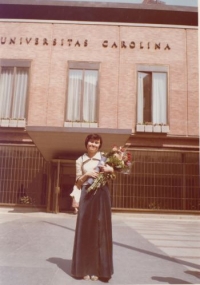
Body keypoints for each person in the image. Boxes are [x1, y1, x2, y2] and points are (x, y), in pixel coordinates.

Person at [71, 134, 114, 282]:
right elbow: (77, 182)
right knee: (85, 230)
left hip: (102, 194)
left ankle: (98, 270)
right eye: (91, 142)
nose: (93, 144)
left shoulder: (105, 158)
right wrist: (86, 175)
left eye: (97, 143)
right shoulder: (80, 160)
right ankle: (83, 269)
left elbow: (113, 177)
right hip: (86, 194)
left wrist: (110, 171)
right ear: (86, 143)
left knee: (101, 230)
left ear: (99, 145)